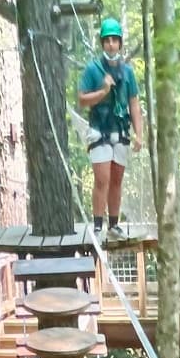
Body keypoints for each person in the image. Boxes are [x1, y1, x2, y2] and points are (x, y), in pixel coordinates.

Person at [76, 18, 143, 239]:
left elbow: (133, 103)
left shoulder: (128, 73)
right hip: (99, 131)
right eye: (107, 40)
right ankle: (97, 225)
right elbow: (82, 100)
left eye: (115, 40)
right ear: (102, 43)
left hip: (120, 131)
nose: (111, 45)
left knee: (116, 180)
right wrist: (103, 91)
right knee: (102, 179)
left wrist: (139, 133)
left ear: (120, 43)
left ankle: (113, 224)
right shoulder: (93, 70)